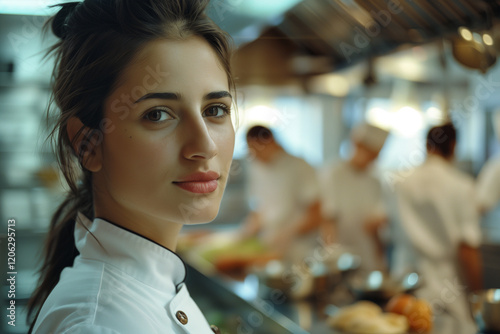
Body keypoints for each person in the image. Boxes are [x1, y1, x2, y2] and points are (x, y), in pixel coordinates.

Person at [27, 1, 235, 333]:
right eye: (157, 114)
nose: (205, 146)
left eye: (215, 110)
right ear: (87, 144)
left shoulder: (147, 289)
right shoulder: (98, 324)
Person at [394, 123, 482, 331]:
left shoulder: (401, 182)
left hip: (404, 285)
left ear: (426, 145)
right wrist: (477, 298)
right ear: (453, 146)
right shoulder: (461, 185)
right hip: (447, 289)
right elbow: (467, 250)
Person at [242, 125, 321, 259]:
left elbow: (316, 213)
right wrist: (245, 231)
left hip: (299, 249)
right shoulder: (256, 168)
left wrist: (288, 233)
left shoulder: (300, 166)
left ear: (270, 141)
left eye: (258, 150)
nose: (256, 156)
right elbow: (258, 209)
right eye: (251, 151)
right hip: (268, 247)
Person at [320, 122, 389, 272]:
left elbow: (375, 228)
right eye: (370, 154)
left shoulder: (374, 181)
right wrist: (333, 257)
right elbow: (328, 220)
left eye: (375, 156)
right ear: (356, 145)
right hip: (342, 259)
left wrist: (381, 260)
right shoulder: (333, 174)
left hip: (367, 256)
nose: (372, 160)